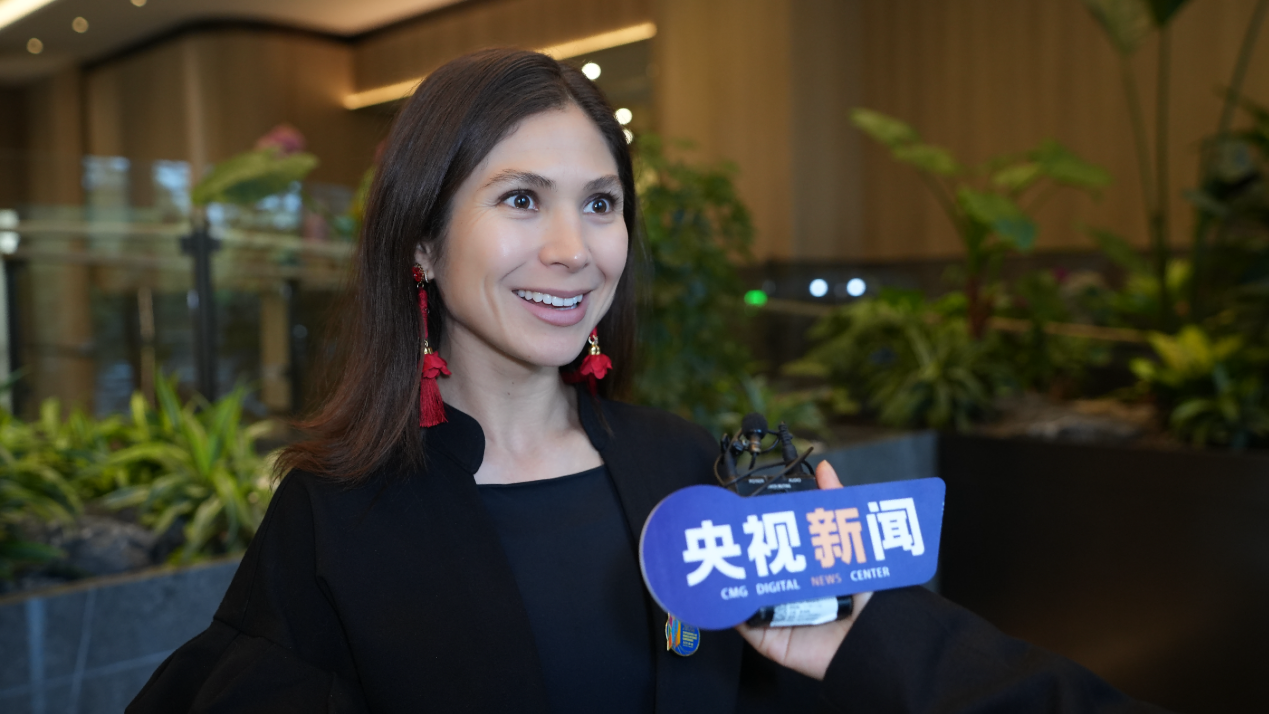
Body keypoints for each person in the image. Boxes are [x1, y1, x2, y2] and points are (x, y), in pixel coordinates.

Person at [127, 48, 1167, 714]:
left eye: (601, 203)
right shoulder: (335, 518)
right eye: (522, 199)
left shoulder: (689, 469)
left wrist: (861, 635)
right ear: (422, 245)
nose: (575, 249)